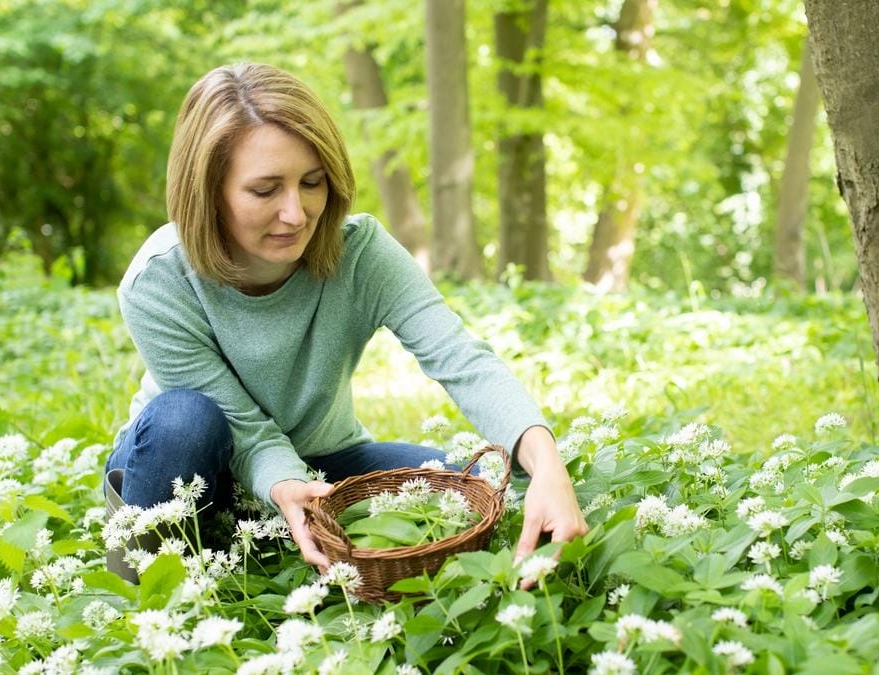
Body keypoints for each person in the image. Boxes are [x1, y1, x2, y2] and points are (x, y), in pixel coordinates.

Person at [104, 62, 586, 581]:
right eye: (265, 191)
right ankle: (145, 572)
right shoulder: (158, 280)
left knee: (474, 479)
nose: (296, 213)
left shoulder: (362, 254)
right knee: (185, 419)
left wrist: (546, 462)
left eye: (312, 183)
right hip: (195, 469)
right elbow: (243, 427)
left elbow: (462, 361)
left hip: (322, 467)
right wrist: (283, 485)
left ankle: (282, 535)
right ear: (208, 191)